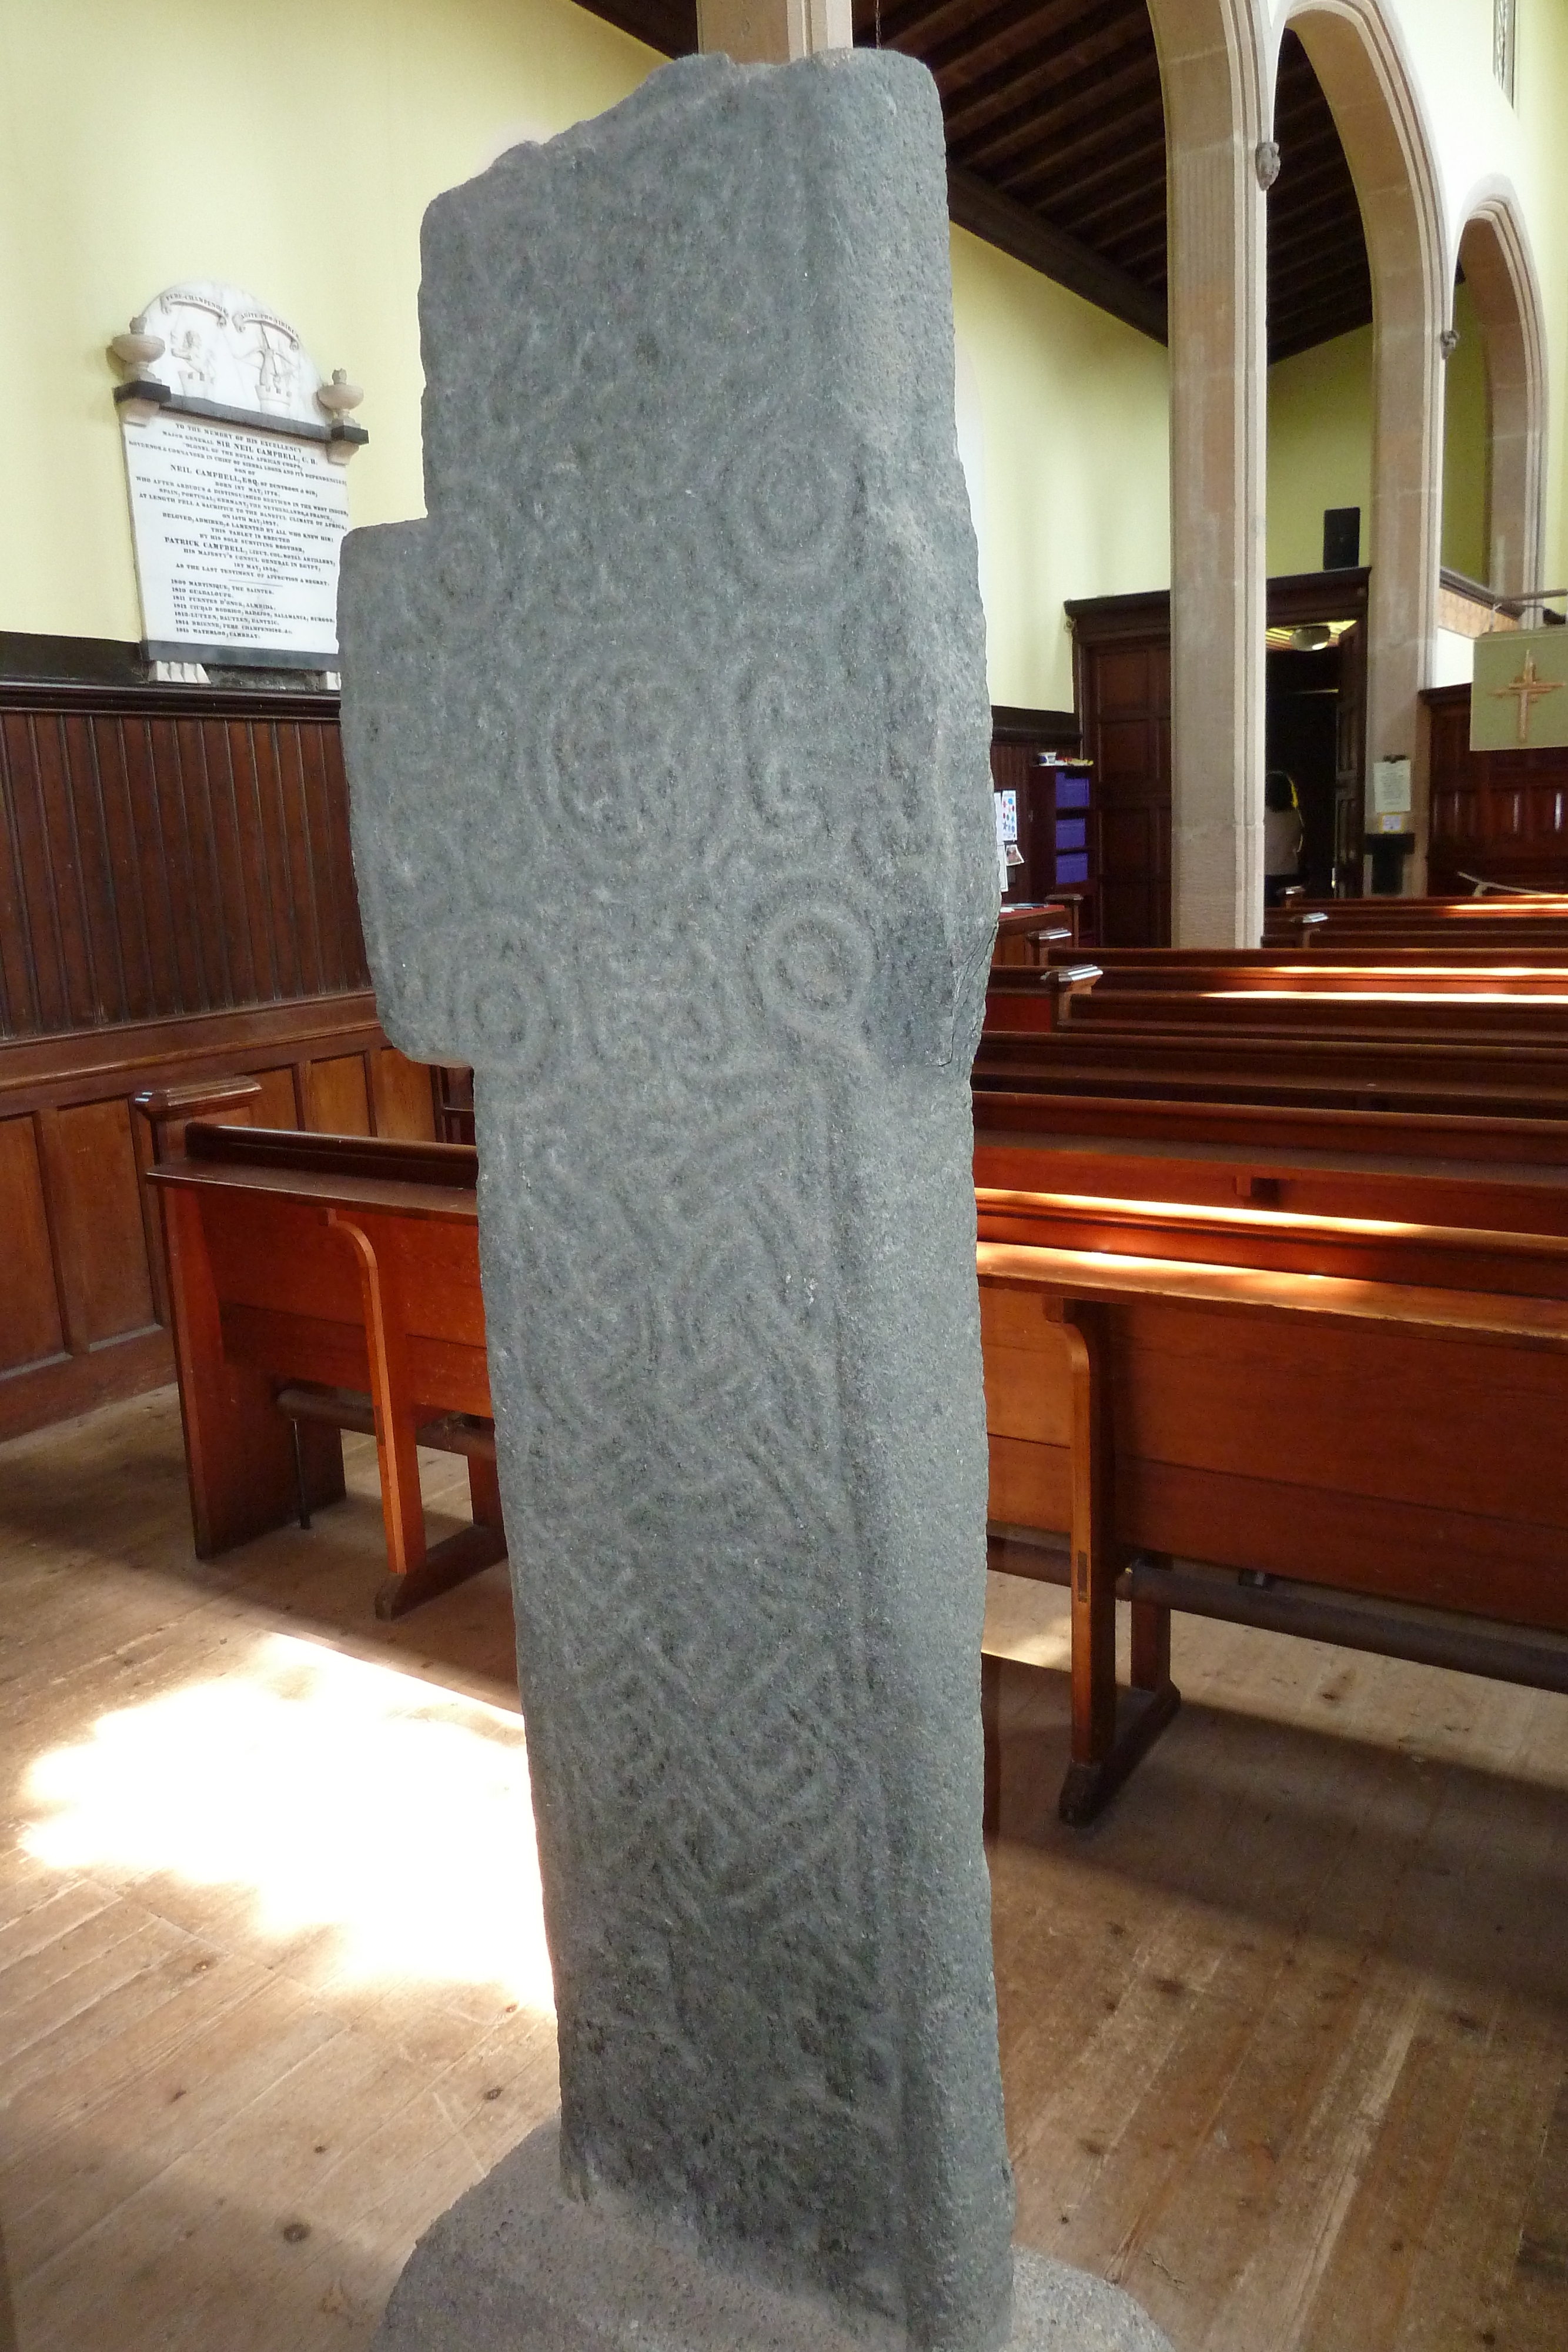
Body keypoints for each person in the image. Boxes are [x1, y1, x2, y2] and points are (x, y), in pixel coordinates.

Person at [1263, 769, 1305, 906]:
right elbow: (1298, 844)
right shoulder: (1294, 815)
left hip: (1265, 871)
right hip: (1289, 871)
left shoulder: (1261, 815)